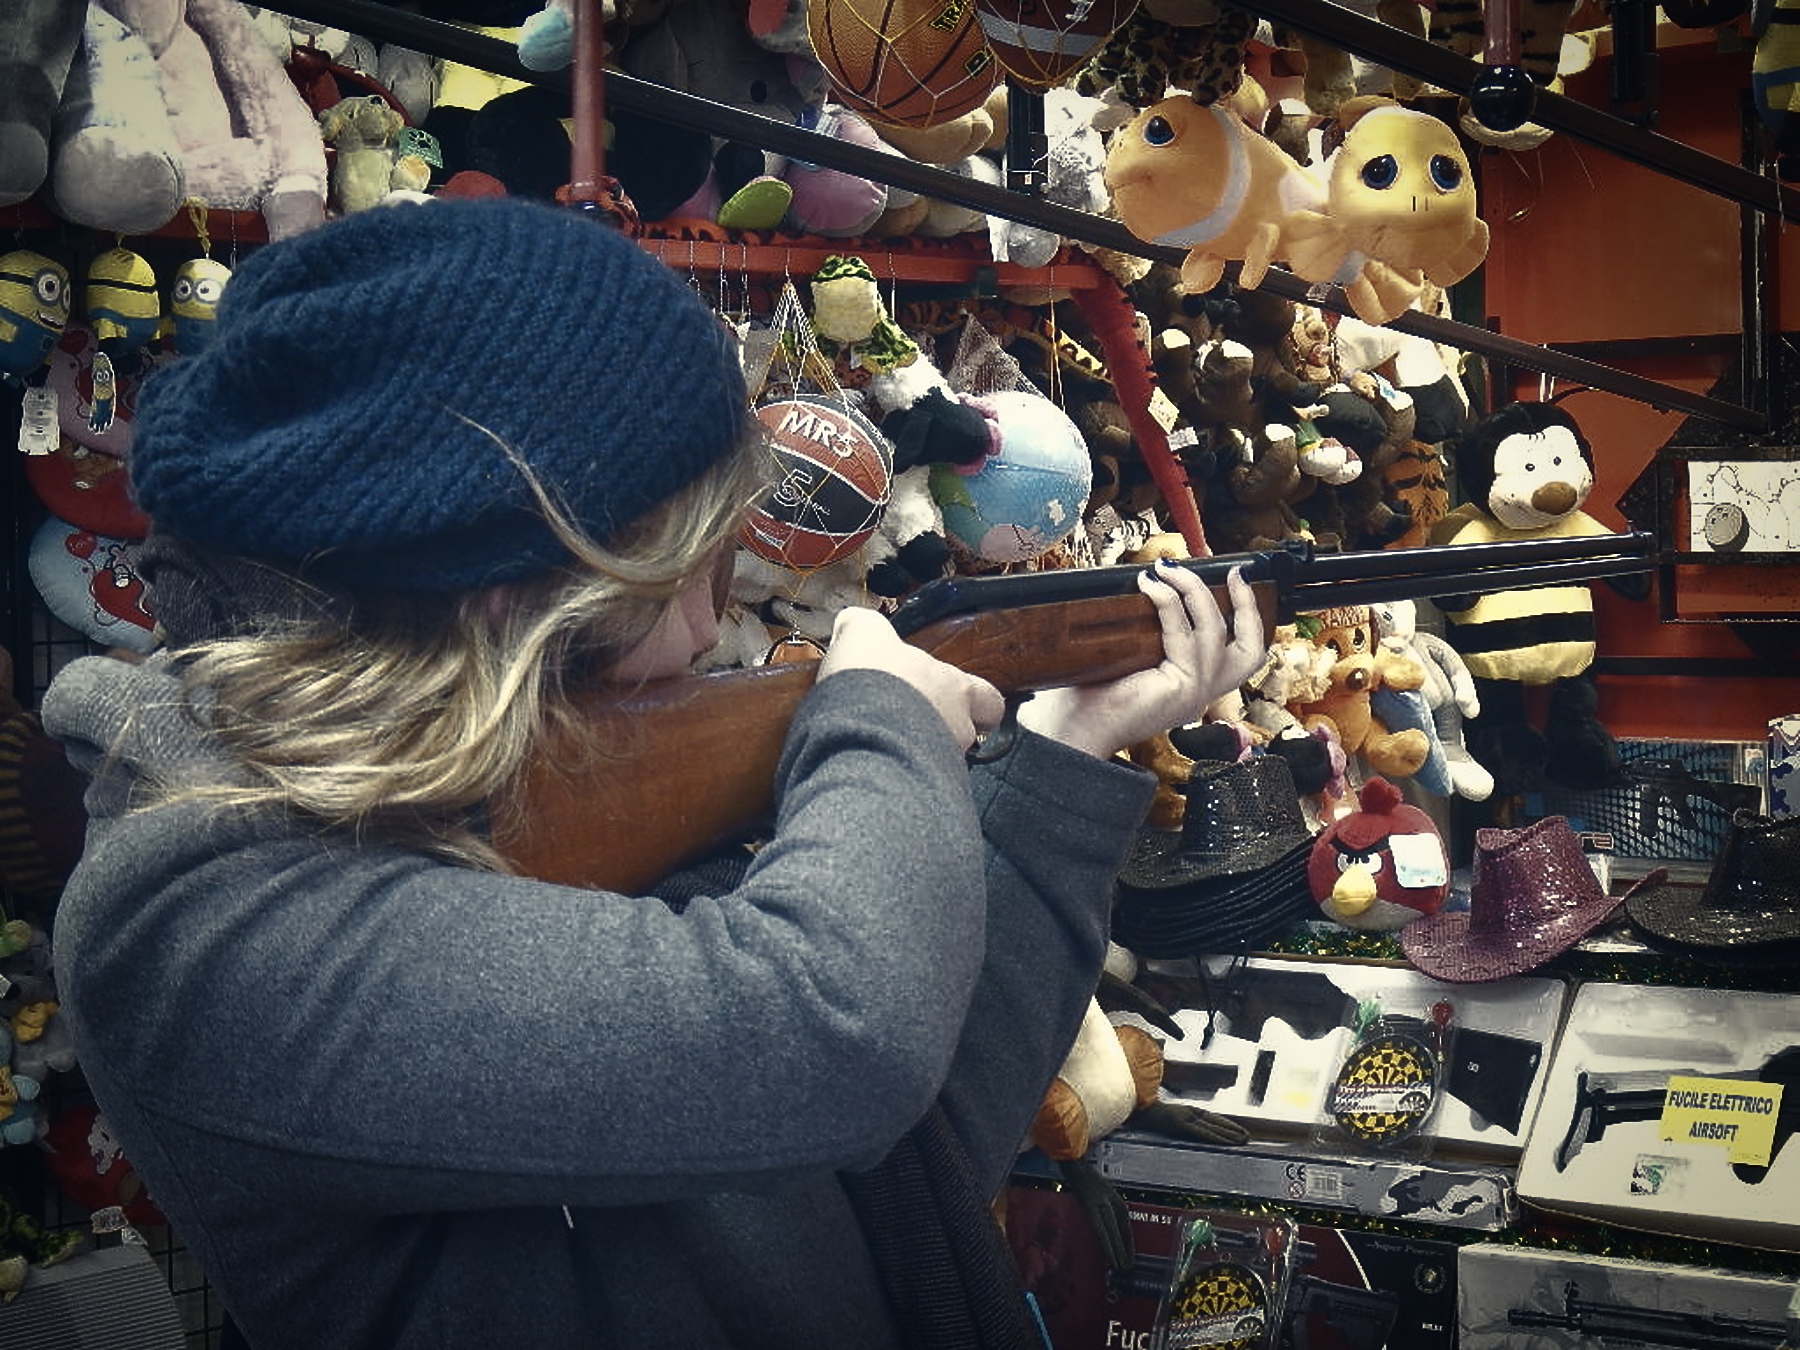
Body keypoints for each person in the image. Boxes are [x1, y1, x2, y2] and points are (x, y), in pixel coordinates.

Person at [41, 196, 1266, 1350]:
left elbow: (917, 1142)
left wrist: (1062, 755)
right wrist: (877, 715)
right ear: (511, 596)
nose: (700, 633)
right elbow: (835, 1041)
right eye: (684, 576)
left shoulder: (545, 779)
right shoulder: (191, 930)